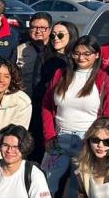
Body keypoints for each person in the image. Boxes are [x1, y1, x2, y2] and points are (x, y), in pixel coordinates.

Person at [42, 35, 109, 198]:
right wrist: (49, 135)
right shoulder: (61, 75)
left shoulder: (104, 81)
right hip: (59, 139)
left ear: (96, 56)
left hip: (87, 143)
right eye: (77, 53)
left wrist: (101, 144)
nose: (81, 57)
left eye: (87, 53)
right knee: (46, 187)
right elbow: (48, 105)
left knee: (79, 192)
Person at [29, 21, 78, 163]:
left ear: (71, 36)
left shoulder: (76, 59)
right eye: (53, 35)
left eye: (61, 35)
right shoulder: (44, 56)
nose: (56, 38)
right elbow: (36, 86)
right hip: (45, 109)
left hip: (68, 113)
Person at [17, 12, 53, 96]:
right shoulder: (19, 50)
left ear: (50, 30)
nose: (38, 31)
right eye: (34, 27)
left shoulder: (55, 49)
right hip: (25, 98)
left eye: (42, 28)